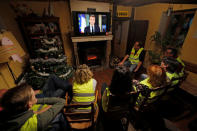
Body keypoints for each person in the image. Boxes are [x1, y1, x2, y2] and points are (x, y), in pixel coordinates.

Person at [0, 83, 70, 131]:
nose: (35, 94)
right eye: (34, 95)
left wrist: (33, 101)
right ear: (29, 104)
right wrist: (36, 101)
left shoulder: (9, 111)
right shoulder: (34, 123)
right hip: (39, 125)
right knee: (60, 115)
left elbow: (34, 112)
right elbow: (61, 101)